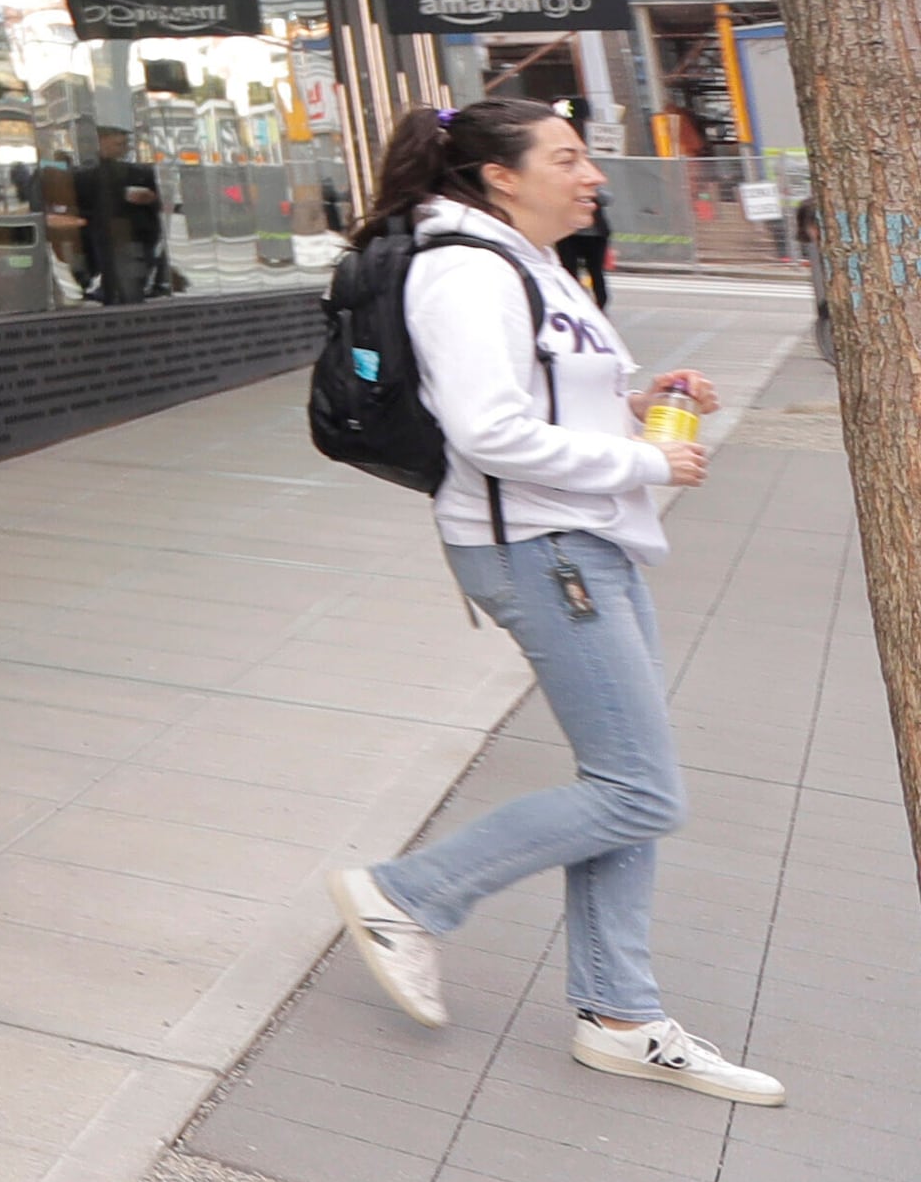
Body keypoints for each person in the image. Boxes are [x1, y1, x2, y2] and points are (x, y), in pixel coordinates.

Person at [326, 100, 781, 1105]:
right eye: (568, 158)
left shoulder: (531, 262)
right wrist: (642, 457)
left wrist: (648, 399)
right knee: (641, 791)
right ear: (499, 175)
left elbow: (551, 398)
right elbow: (487, 432)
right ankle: (407, 897)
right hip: (540, 548)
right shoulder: (466, 269)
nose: (594, 176)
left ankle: (620, 1015)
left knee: (623, 787)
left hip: (586, 541)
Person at [73, 126, 164, 304]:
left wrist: (151, 199)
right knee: (120, 285)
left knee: (129, 285)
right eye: (116, 143)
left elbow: (158, 203)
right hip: (109, 237)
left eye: (123, 143)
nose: (121, 147)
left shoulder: (141, 172)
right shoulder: (87, 173)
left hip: (133, 237)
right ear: (101, 143)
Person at [556, 187, 613, 309]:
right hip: (569, 235)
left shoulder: (593, 188)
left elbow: (607, 199)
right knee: (569, 270)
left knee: (595, 270)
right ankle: (573, 300)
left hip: (594, 236)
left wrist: (590, 191)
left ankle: (601, 302)